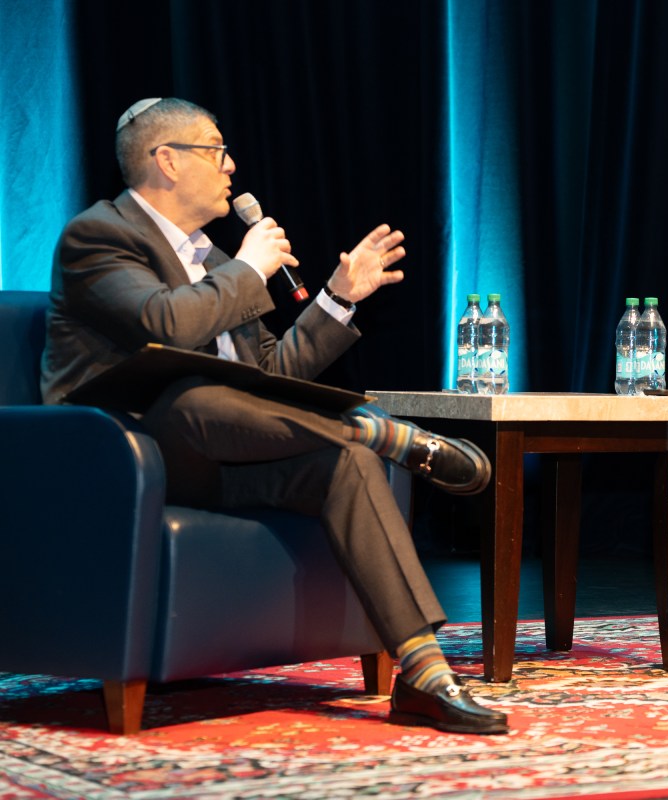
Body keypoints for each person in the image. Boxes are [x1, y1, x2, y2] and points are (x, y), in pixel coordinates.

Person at [41, 97, 507, 734]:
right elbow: (166, 328)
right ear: (167, 161)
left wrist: (337, 299)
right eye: (217, 149)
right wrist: (245, 269)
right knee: (190, 395)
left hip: (223, 455)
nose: (231, 166)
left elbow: (269, 381)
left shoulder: (214, 260)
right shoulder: (99, 237)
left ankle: (424, 674)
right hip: (125, 459)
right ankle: (375, 429)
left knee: (341, 464)